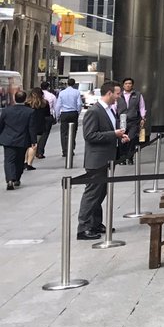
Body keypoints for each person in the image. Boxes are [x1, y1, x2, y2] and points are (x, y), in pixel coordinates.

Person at [77, 82, 128, 239]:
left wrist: (119, 136)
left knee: (100, 193)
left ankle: (95, 223)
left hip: (107, 158)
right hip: (97, 159)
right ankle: (83, 227)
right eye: (117, 94)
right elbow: (90, 135)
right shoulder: (94, 111)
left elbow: (109, 132)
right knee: (92, 193)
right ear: (109, 93)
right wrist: (114, 134)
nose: (119, 97)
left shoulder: (109, 111)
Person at [0, 91, 35, 190]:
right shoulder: (30, 111)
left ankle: (10, 179)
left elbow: (1, 124)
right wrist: (33, 141)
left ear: (14, 98)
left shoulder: (7, 111)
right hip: (22, 139)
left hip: (8, 139)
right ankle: (17, 178)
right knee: (20, 160)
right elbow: (31, 128)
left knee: (9, 160)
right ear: (25, 99)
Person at [116, 77, 148, 157]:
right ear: (123, 85)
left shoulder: (137, 95)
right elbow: (114, 107)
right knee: (122, 139)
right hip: (121, 120)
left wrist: (143, 117)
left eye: (130, 83)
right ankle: (122, 157)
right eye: (126, 84)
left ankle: (130, 157)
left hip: (133, 120)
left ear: (132, 85)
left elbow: (142, 107)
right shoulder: (119, 95)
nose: (128, 85)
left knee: (132, 138)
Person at [26, 88, 52, 170]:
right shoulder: (45, 103)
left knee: (27, 144)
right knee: (34, 145)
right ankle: (29, 163)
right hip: (40, 125)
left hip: (29, 125)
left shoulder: (27, 104)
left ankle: (25, 161)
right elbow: (47, 115)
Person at [56, 78, 82, 160]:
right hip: (73, 112)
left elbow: (58, 105)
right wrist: (78, 112)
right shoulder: (77, 92)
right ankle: (71, 149)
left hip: (64, 113)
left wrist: (57, 116)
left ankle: (64, 150)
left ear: (67, 83)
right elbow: (79, 104)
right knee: (73, 131)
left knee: (63, 133)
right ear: (74, 84)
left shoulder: (62, 93)